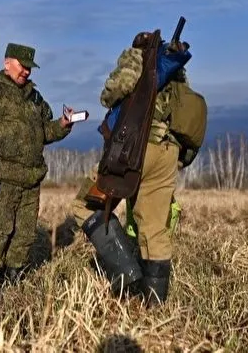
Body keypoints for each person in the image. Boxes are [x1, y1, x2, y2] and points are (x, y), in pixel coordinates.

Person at [69, 31, 193, 307]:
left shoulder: (138, 57)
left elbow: (117, 87)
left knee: (84, 204)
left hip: (133, 149)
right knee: (154, 227)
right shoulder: (178, 73)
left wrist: (107, 94)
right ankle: (154, 305)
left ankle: (127, 274)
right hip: (167, 151)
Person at [0, 42, 74, 285]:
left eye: (30, 68)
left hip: (30, 179)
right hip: (2, 178)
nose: (26, 72)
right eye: (23, 67)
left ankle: (15, 281)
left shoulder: (35, 98)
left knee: (24, 234)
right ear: (7, 63)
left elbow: (45, 131)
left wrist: (63, 125)